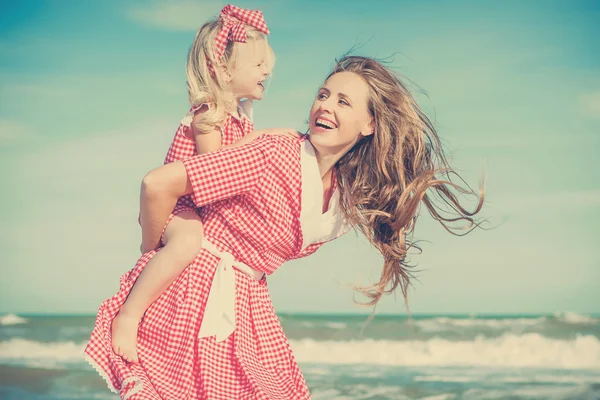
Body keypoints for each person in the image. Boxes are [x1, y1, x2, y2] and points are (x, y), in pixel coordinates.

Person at [86, 55, 484, 399]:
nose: (324, 105)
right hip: (189, 294)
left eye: (343, 101)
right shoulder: (276, 154)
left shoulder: (346, 197)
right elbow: (158, 184)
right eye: (323, 95)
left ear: (369, 124)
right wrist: (151, 252)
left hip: (248, 308)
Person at [108, 4, 295, 365]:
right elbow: (216, 167)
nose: (267, 70)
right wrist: (267, 139)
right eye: (258, 65)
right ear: (222, 70)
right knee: (189, 242)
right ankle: (128, 316)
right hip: (181, 207)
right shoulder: (209, 113)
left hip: (201, 207)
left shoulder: (239, 116)